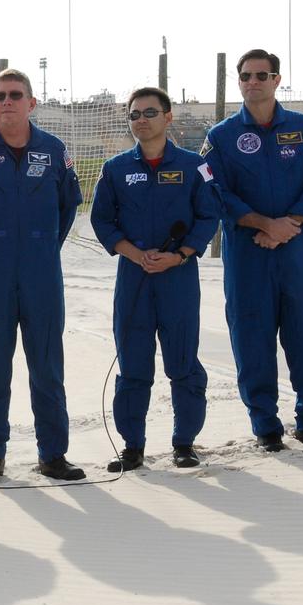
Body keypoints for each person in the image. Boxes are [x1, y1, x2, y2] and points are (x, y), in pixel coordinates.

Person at [0, 68, 85, 483]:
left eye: (15, 95)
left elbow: (68, 206)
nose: (7, 101)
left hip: (42, 271)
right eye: (0, 96)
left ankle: (53, 455)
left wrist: (41, 246)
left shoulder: (54, 150)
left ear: (31, 102)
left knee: (46, 365)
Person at [202, 49, 303, 451]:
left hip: (299, 251)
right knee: (251, 337)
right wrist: (264, 224)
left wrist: (290, 223)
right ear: (239, 81)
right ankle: (265, 425)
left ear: (277, 80)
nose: (254, 82)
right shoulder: (221, 136)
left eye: (262, 75)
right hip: (249, 255)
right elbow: (216, 191)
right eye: (246, 76)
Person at [90, 87, 220, 471]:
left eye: (149, 113)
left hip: (177, 278)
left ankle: (185, 443)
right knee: (133, 365)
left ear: (168, 118)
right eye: (134, 115)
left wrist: (178, 256)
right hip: (134, 278)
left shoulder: (196, 166)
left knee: (182, 361)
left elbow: (209, 216)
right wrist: (135, 254)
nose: (141, 121)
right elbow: (102, 220)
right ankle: (132, 447)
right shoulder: (115, 169)